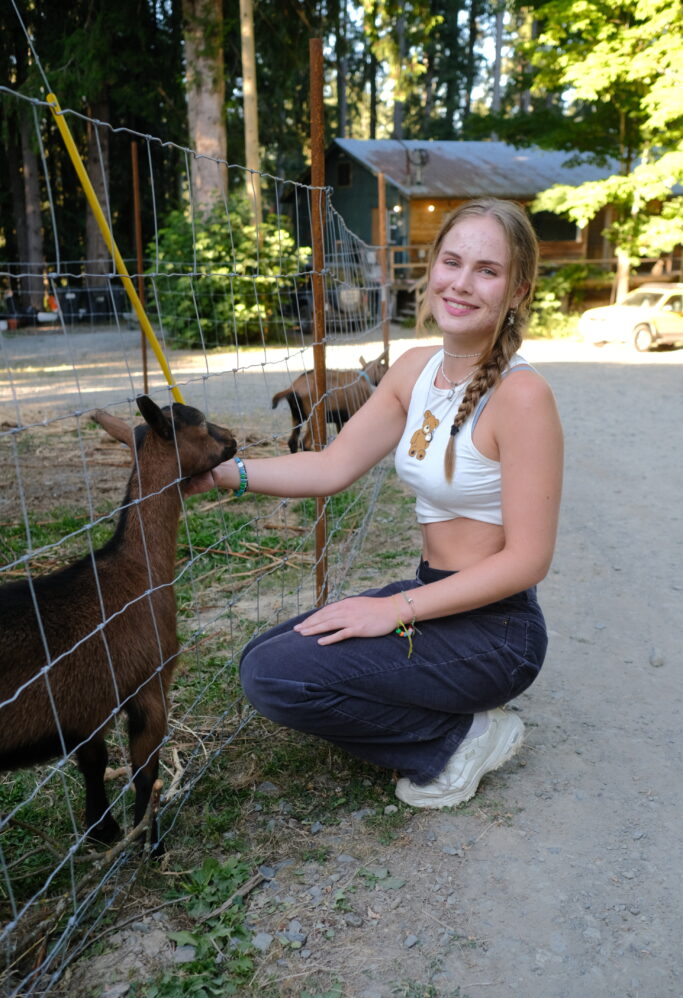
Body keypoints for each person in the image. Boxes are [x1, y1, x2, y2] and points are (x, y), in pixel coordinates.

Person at [186, 197, 563, 809]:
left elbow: (527, 560)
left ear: (518, 290)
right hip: (436, 597)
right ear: (431, 268)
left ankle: (458, 736)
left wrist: (394, 611)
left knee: (273, 677)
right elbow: (331, 465)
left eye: (487, 271)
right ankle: (448, 708)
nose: (461, 284)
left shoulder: (523, 397)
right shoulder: (414, 369)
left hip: (498, 630)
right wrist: (226, 475)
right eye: (452, 262)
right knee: (264, 656)